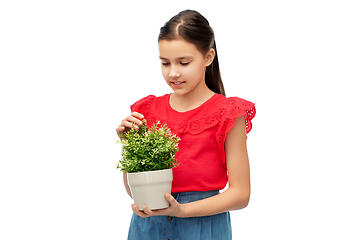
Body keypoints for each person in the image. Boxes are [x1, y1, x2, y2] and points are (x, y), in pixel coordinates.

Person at [116, 10, 256, 240]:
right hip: (149, 229)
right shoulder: (147, 110)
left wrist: (181, 211)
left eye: (184, 62)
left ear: (208, 57)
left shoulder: (227, 113)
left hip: (202, 228)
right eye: (165, 63)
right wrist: (130, 147)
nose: (173, 73)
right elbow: (134, 191)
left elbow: (241, 194)